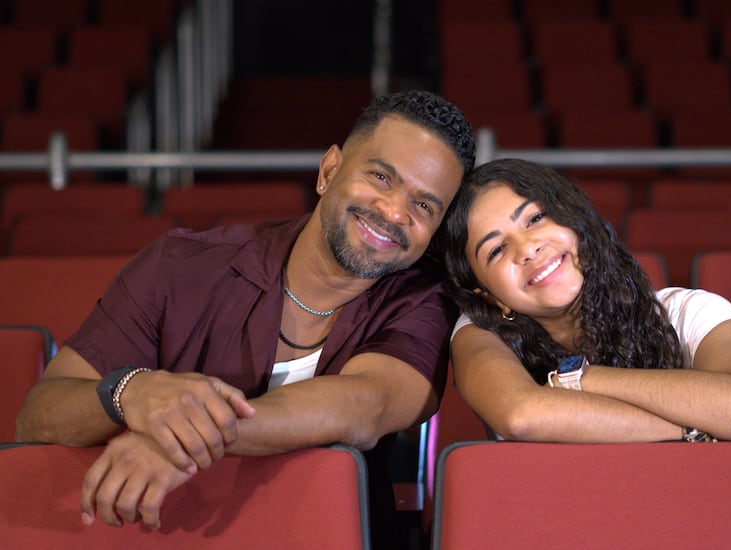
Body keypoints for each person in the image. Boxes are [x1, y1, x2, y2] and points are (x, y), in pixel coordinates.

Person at [15, 89, 475, 546]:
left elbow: (363, 405)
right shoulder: (178, 266)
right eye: (380, 177)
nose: (393, 211)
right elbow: (39, 416)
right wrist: (129, 392)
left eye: (423, 206)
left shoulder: (427, 297)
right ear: (329, 170)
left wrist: (180, 438)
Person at [440, 159, 731, 444]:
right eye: (496, 250)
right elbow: (521, 415)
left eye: (536, 219)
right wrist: (691, 427)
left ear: (575, 218)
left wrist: (582, 379)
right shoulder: (480, 331)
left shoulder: (692, 312)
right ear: (488, 295)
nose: (527, 249)